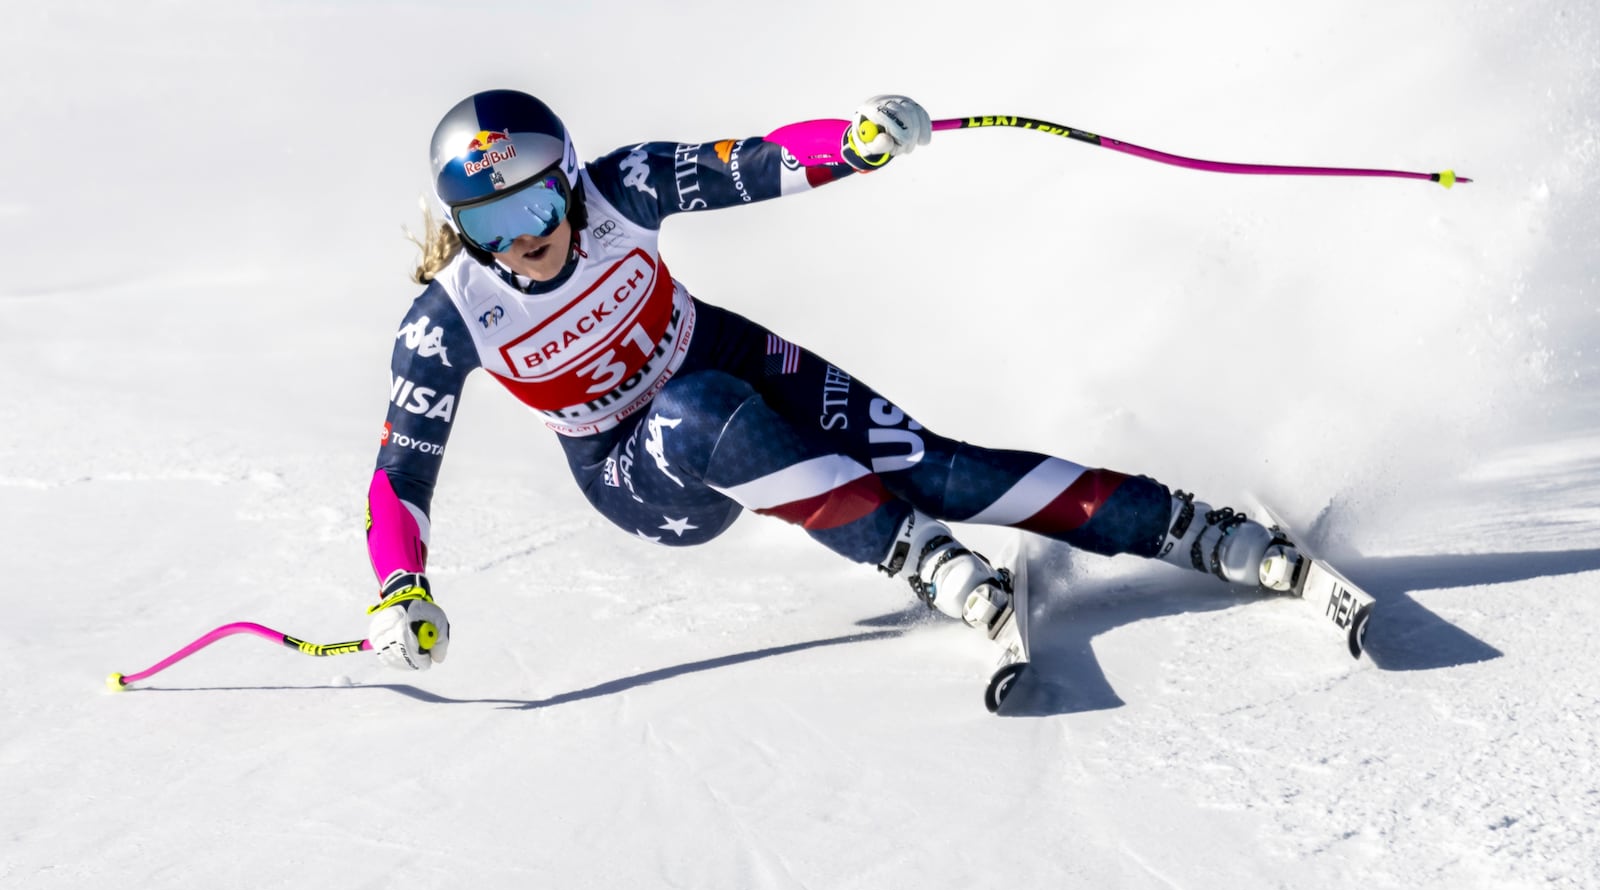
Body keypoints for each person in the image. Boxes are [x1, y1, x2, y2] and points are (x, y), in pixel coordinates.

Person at [365, 89, 1301, 671]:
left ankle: (1190, 528)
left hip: (720, 351)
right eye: (488, 226)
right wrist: (400, 586)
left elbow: (749, 163)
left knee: (937, 466)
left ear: (567, 179)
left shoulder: (624, 188)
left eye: (532, 202)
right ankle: (919, 558)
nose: (522, 241)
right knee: (695, 415)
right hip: (636, 473)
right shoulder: (448, 320)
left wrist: (851, 143)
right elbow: (401, 472)